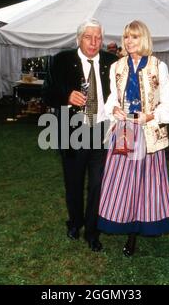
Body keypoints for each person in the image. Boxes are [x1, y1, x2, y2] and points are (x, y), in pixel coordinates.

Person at [97, 20, 169, 257]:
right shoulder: (117, 67)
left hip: (147, 133)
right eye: (126, 37)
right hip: (124, 130)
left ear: (143, 39)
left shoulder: (157, 66)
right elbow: (112, 97)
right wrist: (114, 109)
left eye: (133, 37)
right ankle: (120, 220)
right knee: (119, 181)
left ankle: (135, 232)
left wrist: (151, 115)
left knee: (144, 183)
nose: (128, 41)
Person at [42, 19, 118, 252]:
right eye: (88, 37)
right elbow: (46, 93)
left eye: (98, 37)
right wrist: (67, 96)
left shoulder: (112, 62)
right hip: (73, 131)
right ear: (78, 39)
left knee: (97, 184)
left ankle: (93, 231)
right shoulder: (61, 60)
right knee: (73, 183)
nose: (94, 42)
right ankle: (75, 222)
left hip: (102, 132)